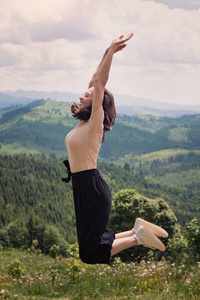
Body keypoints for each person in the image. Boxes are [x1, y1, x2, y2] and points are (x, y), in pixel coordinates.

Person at [63, 33, 168, 264]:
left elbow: (99, 84)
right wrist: (105, 52)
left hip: (91, 187)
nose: (82, 95)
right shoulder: (84, 122)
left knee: (90, 253)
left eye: (87, 96)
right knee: (91, 244)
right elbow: (94, 81)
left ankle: (137, 238)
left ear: (98, 103)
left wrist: (111, 52)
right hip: (84, 187)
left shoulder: (94, 124)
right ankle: (136, 231)